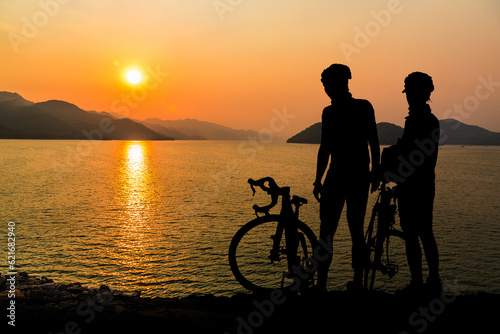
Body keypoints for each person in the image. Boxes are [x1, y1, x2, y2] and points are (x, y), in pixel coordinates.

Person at [313, 63, 380, 291]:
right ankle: (331, 282)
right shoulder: (332, 111)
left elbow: (373, 141)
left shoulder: (357, 108)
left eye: (327, 84)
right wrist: (317, 179)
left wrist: (376, 172)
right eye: (324, 85)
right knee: (340, 230)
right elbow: (325, 148)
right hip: (348, 175)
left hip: (350, 175)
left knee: (340, 230)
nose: (326, 88)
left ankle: (344, 282)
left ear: (341, 83)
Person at [388, 71, 441, 294]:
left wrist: (399, 179)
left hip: (417, 186)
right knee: (418, 233)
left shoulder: (424, 121)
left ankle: (423, 282)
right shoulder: (421, 120)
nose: (408, 96)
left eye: (411, 92)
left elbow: (416, 158)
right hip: (418, 185)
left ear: (423, 94)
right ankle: (425, 281)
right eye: (407, 92)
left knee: (417, 234)